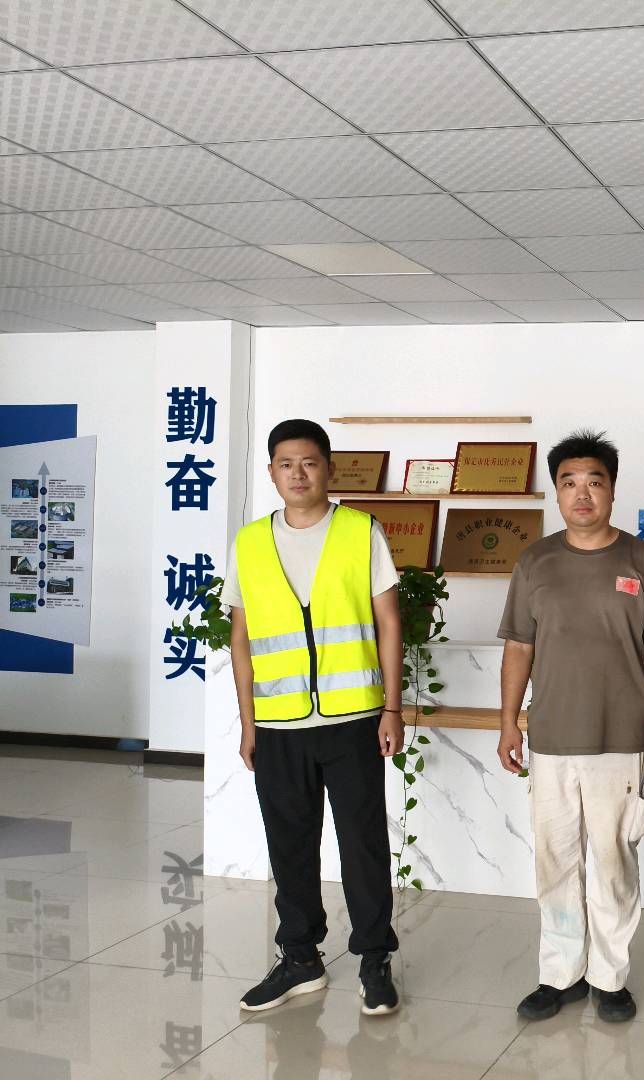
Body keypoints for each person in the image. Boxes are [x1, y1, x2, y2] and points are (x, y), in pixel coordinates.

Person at [497, 429, 644, 1024]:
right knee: (555, 861)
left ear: (612, 490)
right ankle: (560, 975)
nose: (582, 494)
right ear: (556, 491)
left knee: (612, 861)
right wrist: (508, 723)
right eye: (569, 483)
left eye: (594, 482)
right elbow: (518, 647)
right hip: (551, 739)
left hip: (622, 738)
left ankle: (609, 977)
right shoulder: (535, 562)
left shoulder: (642, 561)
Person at [222, 418, 405, 1016]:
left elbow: (388, 623)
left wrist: (392, 708)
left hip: (353, 720)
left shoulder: (360, 531)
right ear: (271, 472)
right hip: (279, 725)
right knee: (290, 845)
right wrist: (248, 723)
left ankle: (374, 958)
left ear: (328, 468)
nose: (297, 474)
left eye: (308, 462)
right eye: (285, 464)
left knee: (363, 844)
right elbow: (241, 638)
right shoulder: (250, 542)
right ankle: (300, 958)